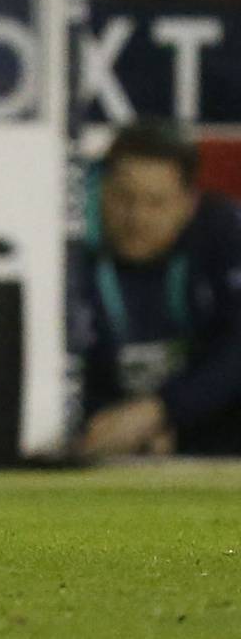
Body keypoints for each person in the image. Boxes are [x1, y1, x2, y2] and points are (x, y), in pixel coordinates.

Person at [76, 120, 241, 459]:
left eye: (156, 203)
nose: (137, 217)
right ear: (101, 190)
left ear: (188, 204)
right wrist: (107, 420)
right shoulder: (69, 242)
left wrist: (160, 413)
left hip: (202, 419)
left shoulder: (222, 230)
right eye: (124, 198)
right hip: (98, 427)